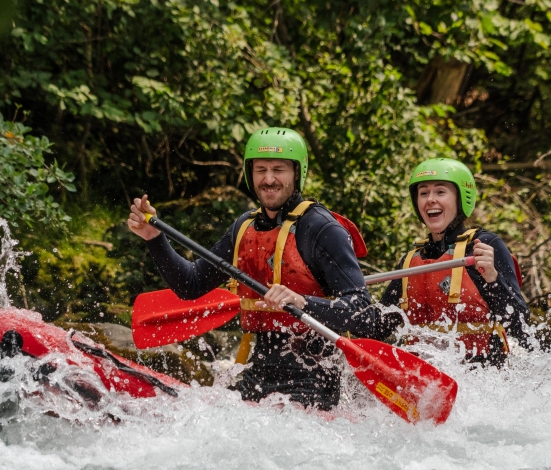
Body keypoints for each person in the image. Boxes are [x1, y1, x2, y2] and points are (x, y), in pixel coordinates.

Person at [127, 128, 375, 410]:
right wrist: (154, 238)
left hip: (314, 381)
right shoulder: (244, 227)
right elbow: (190, 285)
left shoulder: (322, 228)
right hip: (258, 374)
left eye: (278, 169)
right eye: (260, 170)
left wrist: (302, 302)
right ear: (250, 174)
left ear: (297, 173)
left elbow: (364, 312)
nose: (269, 179)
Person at [374, 158, 528, 365]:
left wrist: (492, 278)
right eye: (423, 193)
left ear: (460, 199)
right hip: (424, 375)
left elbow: (520, 323)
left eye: (440, 191)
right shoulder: (410, 261)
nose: (430, 200)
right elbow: (377, 327)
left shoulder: (484, 246)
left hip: (482, 372)